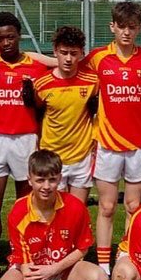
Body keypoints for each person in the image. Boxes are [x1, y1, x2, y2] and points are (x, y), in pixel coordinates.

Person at [0, 150, 108, 280]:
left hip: (61, 269)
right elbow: (27, 270)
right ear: (29, 179)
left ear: (60, 179)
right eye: (40, 180)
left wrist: (54, 269)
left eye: (52, 180)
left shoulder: (75, 206)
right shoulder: (19, 211)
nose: (46, 186)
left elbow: (82, 249)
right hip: (28, 270)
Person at [85, 1, 141, 275]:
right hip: (107, 145)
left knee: (133, 206)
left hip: (138, 145)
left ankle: (127, 259)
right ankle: (104, 266)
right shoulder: (98, 57)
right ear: (112, 26)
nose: (126, 32)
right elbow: (67, 67)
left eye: (132, 27)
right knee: (105, 206)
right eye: (121, 27)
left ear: (139, 28)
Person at [0, 12, 48, 244]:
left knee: (26, 205)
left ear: (19, 36)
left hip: (25, 140)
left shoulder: (37, 67)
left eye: (11, 37)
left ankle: (21, 256)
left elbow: (63, 68)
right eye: (0, 38)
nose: (6, 42)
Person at [25, 27, 98, 203]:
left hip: (82, 157)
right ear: (55, 51)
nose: (68, 59)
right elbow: (37, 115)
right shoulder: (41, 84)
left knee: (77, 212)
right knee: (55, 214)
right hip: (52, 157)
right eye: (63, 52)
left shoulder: (93, 81)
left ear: (81, 53)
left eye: (74, 53)